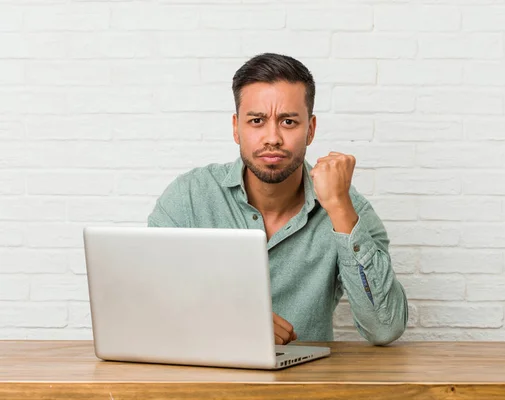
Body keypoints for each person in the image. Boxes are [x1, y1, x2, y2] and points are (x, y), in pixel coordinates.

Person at [148, 53, 408, 346]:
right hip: (203, 382)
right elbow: (146, 301)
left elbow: (385, 328)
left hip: (306, 384)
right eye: (257, 120)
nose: (272, 137)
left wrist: (338, 207)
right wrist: (231, 321)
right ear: (236, 128)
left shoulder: (347, 208)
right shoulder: (189, 198)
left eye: (288, 121)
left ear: (310, 130)